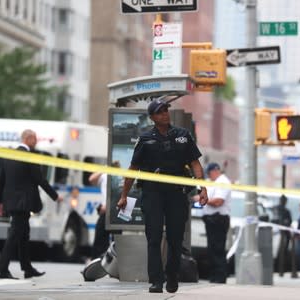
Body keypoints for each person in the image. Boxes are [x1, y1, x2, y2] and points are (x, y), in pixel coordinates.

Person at [116, 98, 208, 294]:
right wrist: (124, 196)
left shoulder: (183, 136)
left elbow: (195, 164)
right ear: (152, 117)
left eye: (166, 110)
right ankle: (156, 280)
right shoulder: (145, 139)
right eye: (160, 112)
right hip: (153, 192)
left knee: (175, 239)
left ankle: (172, 276)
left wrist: (203, 189)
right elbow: (133, 169)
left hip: (176, 192)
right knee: (154, 237)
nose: (165, 114)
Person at [0, 129, 63, 279]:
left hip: (12, 203)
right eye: (35, 139)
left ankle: (27, 268)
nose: (36, 142)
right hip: (24, 204)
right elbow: (40, 180)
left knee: (24, 235)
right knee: (14, 236)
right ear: (29, 139)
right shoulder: (29, 156)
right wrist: (55, 196)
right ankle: (2, 270)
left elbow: (1, 181)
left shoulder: (8, 155)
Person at [193, 162, 231, 283]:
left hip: (218, 219)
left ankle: (219, 277)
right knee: (212, 249)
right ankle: (215, 276)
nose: (209, 176)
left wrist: (202, 199)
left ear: (215, 170)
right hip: (212, 220)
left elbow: (218, 201)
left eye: (209, 173)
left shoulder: (223, 182)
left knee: (217, 249)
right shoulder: (214, 182)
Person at [88, 161, 120, 260]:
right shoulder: (104, 174)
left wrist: (109, 205)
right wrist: (105, 167)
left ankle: (116, 265)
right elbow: (91, 179)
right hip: (105, 211)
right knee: (100, 236)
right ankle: (97, 262)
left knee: (117, 240)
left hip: (116, 210)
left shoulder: (120, 174)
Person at [276, 194, 292, 277]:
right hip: (280, 234)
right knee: (281, 253)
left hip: (284, 234)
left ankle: (282, 269)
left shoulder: (284, 211)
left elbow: (289, 222)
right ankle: (280, 269)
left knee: (283, 253)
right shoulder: (278, 210)